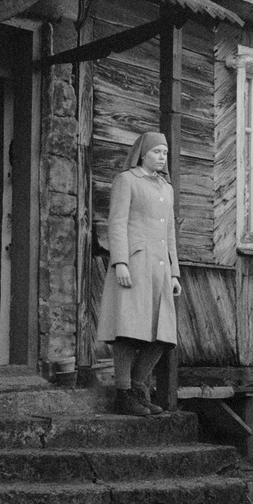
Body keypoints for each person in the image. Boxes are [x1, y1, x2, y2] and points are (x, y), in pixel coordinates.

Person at [96, 131, 182, 416]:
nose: (161, 157)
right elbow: (117, 223)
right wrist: (120, 262)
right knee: (128, 331)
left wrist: (174, 274)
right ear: (143, 153)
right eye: (157, 152)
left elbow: (170, 233)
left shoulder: (166, 188)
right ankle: (123, 394)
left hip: (160, 270)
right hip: (134, 265)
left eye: (165, 153)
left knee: (162, 336)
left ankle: (136, 387)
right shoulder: (127, 180)